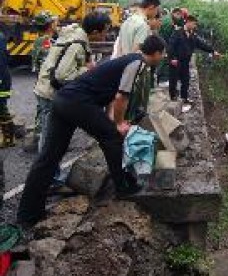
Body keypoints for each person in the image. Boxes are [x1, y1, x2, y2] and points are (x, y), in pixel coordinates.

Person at [16, 34, 166, 229]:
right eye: (162, 54)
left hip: (63, 100)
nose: (162, 58)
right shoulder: (137, 63)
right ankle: (122, 187)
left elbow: (112, 96)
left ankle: (28, 215)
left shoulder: (127, 59)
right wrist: (119, 125)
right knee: (112, 139)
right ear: (155, 53)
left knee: (49, 157)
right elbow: (122, 97)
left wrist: (112, 121)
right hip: (78, 103)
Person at [34, 12, 111, 155]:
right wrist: (86, 69)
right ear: (95, 31)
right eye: (105, 31)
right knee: (49, 137)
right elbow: (63, 75)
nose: (105, 35)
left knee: (51, 134)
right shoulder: (77, 43)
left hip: (46, 88)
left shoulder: (75, 35)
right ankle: (46, 171)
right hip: (50, 92)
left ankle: (49, 168)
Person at [168, 14, 220, 110]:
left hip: (185, 62)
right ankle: (173, 97)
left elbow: (202, 45)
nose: (195, 26)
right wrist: (172, 58)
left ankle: (184, 98)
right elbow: (171, 46)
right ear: (188, 22)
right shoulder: (177, 33)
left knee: (186, 81)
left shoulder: (192, 35)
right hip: (176, 61)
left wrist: (212, 51)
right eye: (193, 24)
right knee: (173, 80)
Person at [0, 30, 15, 148]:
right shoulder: (1, 36)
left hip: (1, 78)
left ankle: (9, 138)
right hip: (3, 76)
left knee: (1, 107)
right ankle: (8, 137)